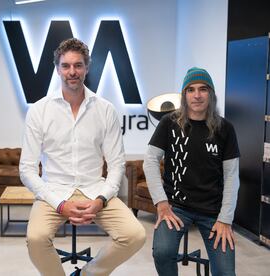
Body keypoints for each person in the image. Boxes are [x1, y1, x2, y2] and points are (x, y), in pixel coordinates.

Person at [19, 38, 146, 276]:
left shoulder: (105, 109)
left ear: (87, 68)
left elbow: (116, 163)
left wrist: (101, 199)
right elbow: (26, 169)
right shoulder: (39, 110)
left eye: (78, 65)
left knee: (134, 235)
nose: (72, 72)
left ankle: (89, 273)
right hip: (54, 192)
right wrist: (60, 204)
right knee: (36, 238)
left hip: (94, 189)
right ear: (58, 69)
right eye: (66, 66)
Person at [143, 67, 240, 276]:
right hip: (176, 208)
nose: (197, 95)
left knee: (226, 273)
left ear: (211, 94)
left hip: (214, 212)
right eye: (191, 90)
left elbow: (232, 176)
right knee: (162, 252)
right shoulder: (169, 123)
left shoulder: (225, 129)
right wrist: (161, 203)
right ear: (184, 95)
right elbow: (150, 161)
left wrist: (225, 219)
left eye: (203, 89)